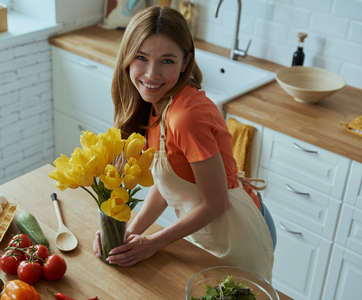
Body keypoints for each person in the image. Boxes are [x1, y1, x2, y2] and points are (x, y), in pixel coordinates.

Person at [93, 5, 275, 281]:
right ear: (127, 58)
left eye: (167, 60)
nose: (152, 74)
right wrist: (129, 234)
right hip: (208, 237)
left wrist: (153, 243)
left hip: (235, 237)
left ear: (185, 60)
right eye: (141, 57)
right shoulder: (157, 105)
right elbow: (167, 187)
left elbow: (216, 204)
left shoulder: (186, 116)